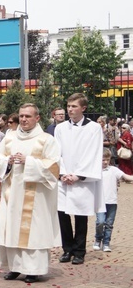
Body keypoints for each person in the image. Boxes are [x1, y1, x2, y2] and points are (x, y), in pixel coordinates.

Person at [0, 104, 62, 283]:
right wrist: (8, 160)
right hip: (12, 193)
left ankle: (33, 269)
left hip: (35, 196)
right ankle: (15, 268)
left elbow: (53, 167)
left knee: (34, 232)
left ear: (37, 118)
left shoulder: (47, 140)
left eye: (28, 116)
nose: (23, 119)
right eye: (21, 116)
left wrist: (28, 161)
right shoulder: (9, 137)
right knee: (11, 229)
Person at [54, 93, 104, 265]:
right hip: (64, 178)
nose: (70, 110)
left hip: (82, 179)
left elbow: (94, 152)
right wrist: (62, 173)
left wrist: (78, 175)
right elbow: (56, 152)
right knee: (62, 214)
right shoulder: (60, 128)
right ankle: (67, 249)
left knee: (81, 215)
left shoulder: (94, 128)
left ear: (83, 108)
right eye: (68, 106)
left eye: (74, 106)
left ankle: (79, 251)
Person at [95, 148, 133, 253]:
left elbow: (126, 177)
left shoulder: (113, 170)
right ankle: (98, 238)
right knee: (100, 222)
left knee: (109, 223)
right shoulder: (95, 171)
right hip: (100, 201)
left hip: (112, 201)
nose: (105, 162)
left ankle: (106, 243)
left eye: (107, 159)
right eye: (103, 159)